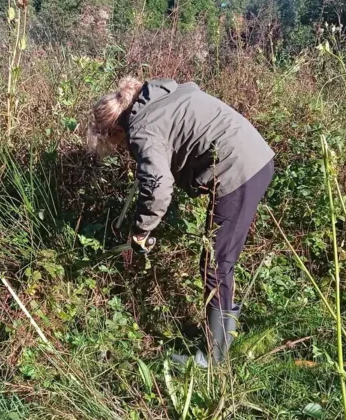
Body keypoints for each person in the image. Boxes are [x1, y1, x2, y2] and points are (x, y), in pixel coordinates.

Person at [88, 77, 274, 367]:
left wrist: (141, 230)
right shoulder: (161, 99)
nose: (122, 148)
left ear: (115, 129)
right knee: (219, 257)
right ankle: (219, 336)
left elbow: (159, 187)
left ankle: (214, 359)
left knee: (216, 261)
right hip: (254, 156)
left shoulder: (142, 129)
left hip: (239, 169)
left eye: (117, 142)